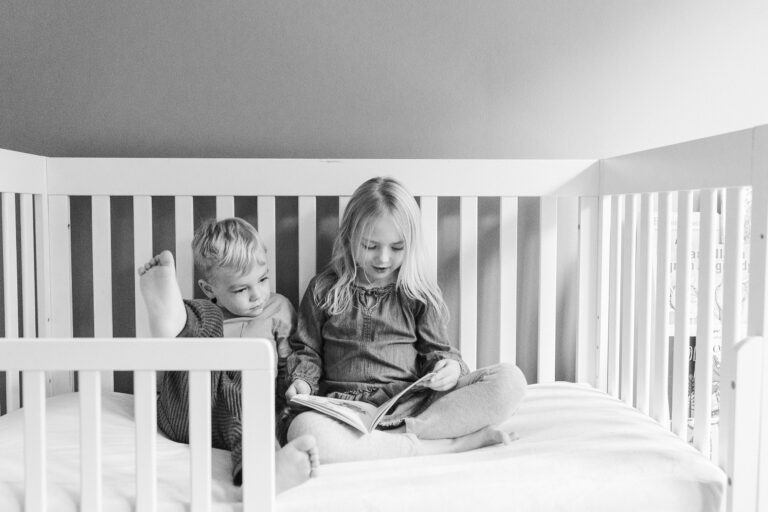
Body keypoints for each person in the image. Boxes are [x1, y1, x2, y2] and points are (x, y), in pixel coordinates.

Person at [284, 177, 527, 463]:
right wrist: (302, 382)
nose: (383, 259)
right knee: (303, 432)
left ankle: (397, 439)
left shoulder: (417, 293)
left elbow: (438, 353)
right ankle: (438, 446)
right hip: (347, 411)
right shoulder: (324, 289)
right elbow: (307, 350)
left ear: (410, 245)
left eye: (397, 248)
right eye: (370, 245)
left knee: (511, 381)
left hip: (413, 406)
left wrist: (447, 367)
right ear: (349, 236)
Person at [137, 217, 318, 493]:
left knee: (243, 389)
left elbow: (291, 362)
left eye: (263, 279)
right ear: (211, 289)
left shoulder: (278, 308)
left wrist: (295, 388)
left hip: (246, 412)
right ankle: (171, 321)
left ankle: (260, 474)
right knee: (204, 317)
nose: (258, 294)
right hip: (187, 409)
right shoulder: (209, 315)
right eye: (242, 289)